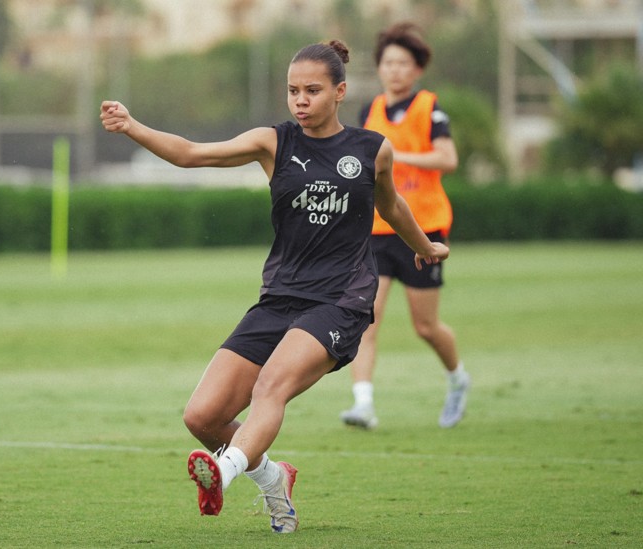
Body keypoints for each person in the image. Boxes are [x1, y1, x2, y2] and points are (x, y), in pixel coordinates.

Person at [100, 39, 449, 533]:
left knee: (270, 387)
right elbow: (192, 155)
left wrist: (426, 247)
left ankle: (222, 472)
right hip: (281, 298)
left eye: (312, 90)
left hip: (341, 300)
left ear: (340, 92)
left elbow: (391, 207)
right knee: (203, 416)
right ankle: (273, 479)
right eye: (292, 91)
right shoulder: (274, 142)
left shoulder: (372, 149)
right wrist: (132, 126)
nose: (300, 101)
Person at [339, 22, 470, 431]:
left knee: (425, 326)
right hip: (377, 229)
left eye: (403, 63)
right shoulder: (369, 110)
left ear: (416, 71)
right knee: (366, 316)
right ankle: (363, 404)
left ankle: (457, 379)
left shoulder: (429, 107)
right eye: (388, 62)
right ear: (379, 68)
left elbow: (447, 158)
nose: (395, 70)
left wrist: (400, 158)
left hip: (424, 229)